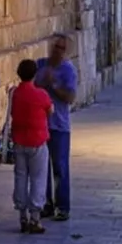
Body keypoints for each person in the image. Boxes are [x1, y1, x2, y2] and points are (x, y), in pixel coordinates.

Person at [35, 35, 78, 222]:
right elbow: (34, 86)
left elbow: (70, 98)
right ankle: (46, 204)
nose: (57, 51)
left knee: (60, 167)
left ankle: (63, 206)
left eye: (61, 48)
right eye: (55, 47)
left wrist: (54, 84)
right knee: (42, 167)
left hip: (59, 125)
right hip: (41, 124)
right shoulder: (41, 65)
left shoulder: (68, 70)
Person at [9, 58, 53, 235]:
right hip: (37, 141)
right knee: (38, 178)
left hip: (19, 141)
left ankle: (22, 216)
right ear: (35, 74)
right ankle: (35, 218)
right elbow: (50, 111)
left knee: (20, 177)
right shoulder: (41, 94)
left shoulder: (14, 93)